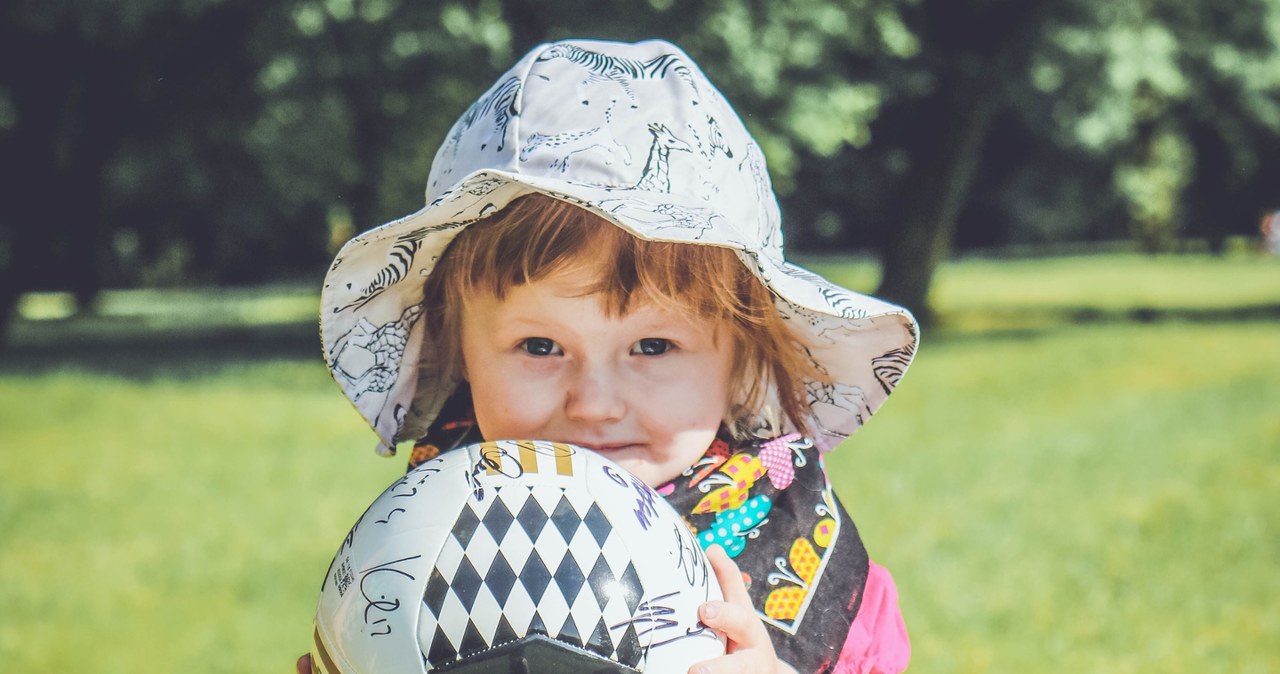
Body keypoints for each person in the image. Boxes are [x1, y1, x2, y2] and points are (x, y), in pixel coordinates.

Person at [308, 38, 917, 674]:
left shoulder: (830, 587)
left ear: (741, 362)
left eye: (653, 346)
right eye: (539, 346)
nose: (594, 404)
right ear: (457, 352)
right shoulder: (416, 549)